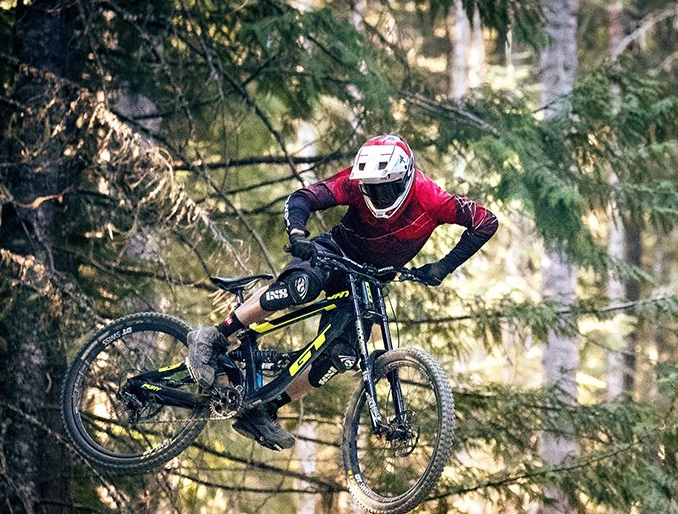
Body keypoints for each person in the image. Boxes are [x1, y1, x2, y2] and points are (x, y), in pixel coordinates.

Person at [187, 134, 498, 449]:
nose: (378, 196)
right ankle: (214, 335)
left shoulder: (431, 198)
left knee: (342, 356)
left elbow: (485, 222)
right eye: (371, 190)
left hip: (369, 279)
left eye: (386, 189)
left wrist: (443, 266)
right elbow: (302, 198)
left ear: (405, 178)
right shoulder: (353, 182)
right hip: (332, 254)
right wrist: (298, 235)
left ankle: (265, 409)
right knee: (300, 288)